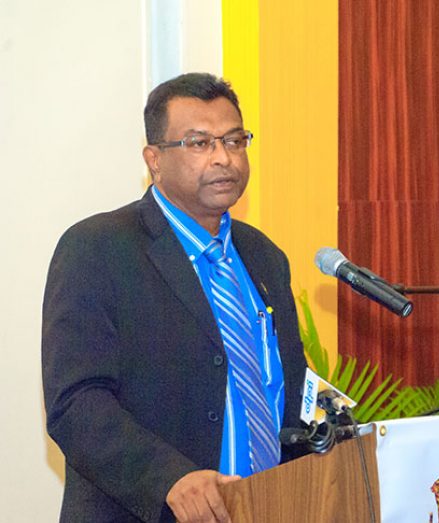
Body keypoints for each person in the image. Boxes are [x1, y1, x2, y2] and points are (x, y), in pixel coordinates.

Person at [42, 72, 308, 522]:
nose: (224, 158)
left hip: (265, 509)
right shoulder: (98, 248)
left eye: (235, 140)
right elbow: (77, 403)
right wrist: (170, 479)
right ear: (154, 159)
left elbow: (287, 388)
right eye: (200, 143)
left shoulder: (264, 256)